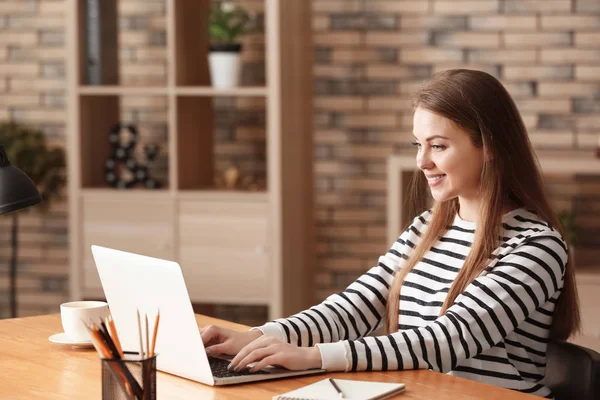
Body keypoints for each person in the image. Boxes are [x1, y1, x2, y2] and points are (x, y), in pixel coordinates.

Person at [200, 69, 580, 398]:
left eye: (439, 146)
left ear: (490, 146)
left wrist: (314, 357)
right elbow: (358, 305)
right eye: (419, 145)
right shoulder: (428, 229)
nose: (422, 161)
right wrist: (260, 336)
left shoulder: (535, 248)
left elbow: (446, 341)